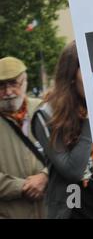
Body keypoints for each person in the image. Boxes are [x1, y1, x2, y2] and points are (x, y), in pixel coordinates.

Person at [31, 41, 93, 219]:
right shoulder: (47, 116)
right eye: (86, 69)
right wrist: (90, 121)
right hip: (73, 210)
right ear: (71, 74)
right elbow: (72, 169)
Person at [0, 57, 48, 218]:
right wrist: (22, 187)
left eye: (14, 83)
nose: (8, 92)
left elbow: (68, 152)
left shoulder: (45, 110)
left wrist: (45, 176)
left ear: (25, 81)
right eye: (1, 86)